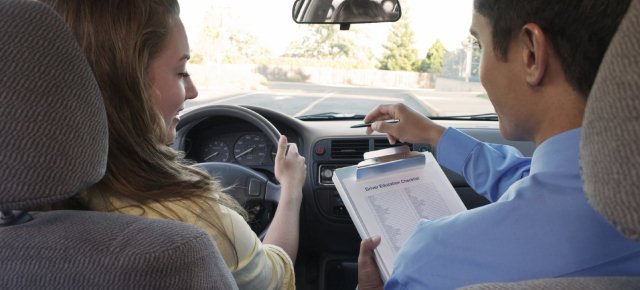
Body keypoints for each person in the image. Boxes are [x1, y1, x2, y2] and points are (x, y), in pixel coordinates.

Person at [358, 0, 640, 289]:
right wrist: (434, 134)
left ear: (531, 54)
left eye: (480, 45)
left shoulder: (431, 259)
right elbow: (535, 180)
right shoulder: (622, 200)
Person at [38, 0, 306, 289]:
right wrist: (290, 188)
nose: (192, 91)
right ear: (129, 83)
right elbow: (276, 277)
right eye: (181, 72)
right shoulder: (192, 218)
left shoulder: (22, 211)